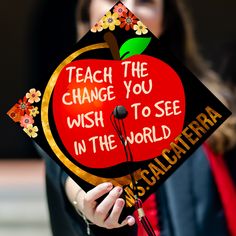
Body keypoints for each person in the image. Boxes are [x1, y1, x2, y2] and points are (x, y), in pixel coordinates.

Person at [33, 0, 236, 235]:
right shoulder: (63, 107)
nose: (127, 10)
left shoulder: (212, 104)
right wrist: (85, 201)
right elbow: (64, 172)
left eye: (145, 1)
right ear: (87, 12)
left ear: (166, 19)